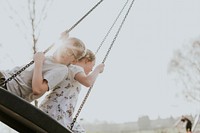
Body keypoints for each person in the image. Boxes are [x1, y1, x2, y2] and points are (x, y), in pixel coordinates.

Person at [0, 32, 87, 103]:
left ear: (74, 61)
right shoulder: (52, 59)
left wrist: (38, 62)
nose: (64, 51)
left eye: (70, 52)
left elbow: (38, 90)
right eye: (65, 47)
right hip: (6, 78)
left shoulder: (61, 70)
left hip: (10, 87)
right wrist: (64, 39)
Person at [39, 49, 105, 133]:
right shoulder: (75, 68)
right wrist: (98, 69)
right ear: (87, 60)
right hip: (56, 112)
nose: (90, 71)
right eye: (91, 68)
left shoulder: (70, 69)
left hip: (59, 112)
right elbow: (88, 82)